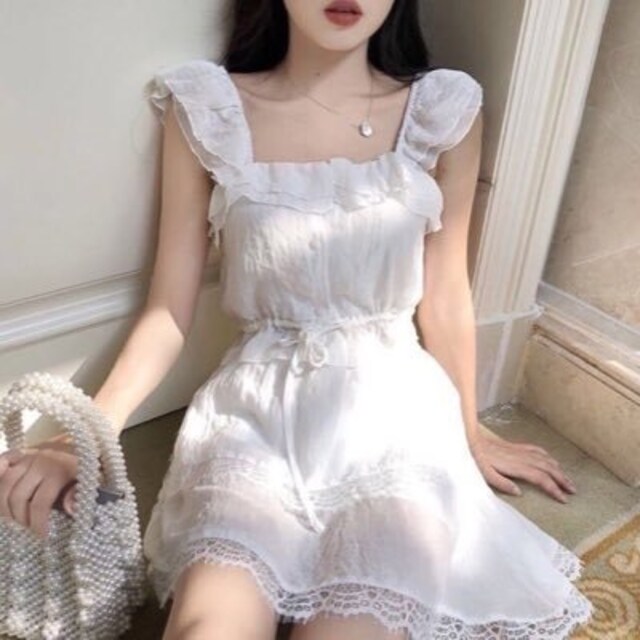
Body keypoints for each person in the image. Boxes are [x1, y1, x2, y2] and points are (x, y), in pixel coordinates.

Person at [0, 0, 594, 638]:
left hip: (395, 415)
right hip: (252, 417)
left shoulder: (441, 111)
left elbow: (445, 294)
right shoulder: (208, 109)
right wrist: (90, 431)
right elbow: (168, 307)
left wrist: (469, 430)